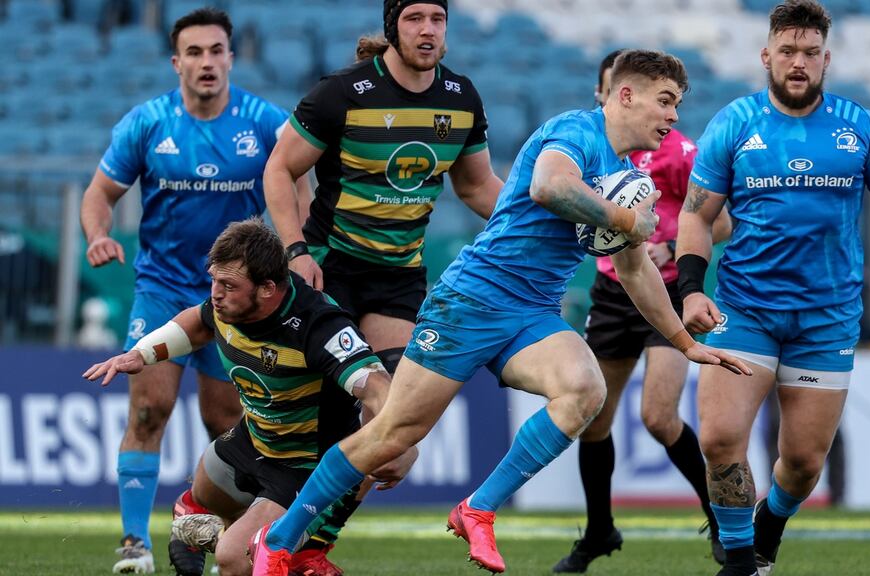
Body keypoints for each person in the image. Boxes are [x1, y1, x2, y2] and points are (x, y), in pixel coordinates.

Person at [249, 48, 752, 576]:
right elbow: (549, 187)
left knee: (585, 390)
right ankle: (278, 541)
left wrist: (685, 343)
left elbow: (635, 271)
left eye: (678, 105)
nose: (674, 116)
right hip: (471, 300)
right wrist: (626, 221)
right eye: (666, 101)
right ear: (626, 95)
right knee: (391, 435)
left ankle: (478, 508)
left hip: (533, 312)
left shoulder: (626, 177)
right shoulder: (576, 131)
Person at [674, 2, 870, 575]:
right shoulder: (734, 123)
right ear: (767, 56)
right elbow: (696, 216)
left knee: (802, 462)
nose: (798, 62)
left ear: (827, 59)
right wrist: (692, 290)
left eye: (809, 52)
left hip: (826, 318)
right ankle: (739, 560)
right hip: (745, 310)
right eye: (787, 51)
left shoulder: (864, 128)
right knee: (720, 439)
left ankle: (770, 526)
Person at [262, 2, 503, 569]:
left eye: (438, 18)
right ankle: (230, 509)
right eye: (415, 18)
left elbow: (476, 187)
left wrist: (540, 222)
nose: (428, 30)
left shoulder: (461, 98)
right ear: (394, 26)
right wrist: (295, 251)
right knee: (326, 424)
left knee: (393, 431)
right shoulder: (341, 94)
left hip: (398, 279)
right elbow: (280, 168)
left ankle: (311, 547)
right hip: (331, 270)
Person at [78, 8, 304, 574]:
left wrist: (300, 247)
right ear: (176, 62)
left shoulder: (265, 122)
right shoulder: (147, 123)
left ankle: (225, 536)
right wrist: (98, 235)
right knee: (148, 409)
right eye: (195, 52)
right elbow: (99, 193)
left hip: (235, 300)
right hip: (162, 287)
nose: (207, 62)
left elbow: (301, 177)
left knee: (225, 423)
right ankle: (134, 545)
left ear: (232, 57)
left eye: (216, 50)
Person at [83, 218, 417, 576]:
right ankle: (204, 520)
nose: (216, 293)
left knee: (233, 560)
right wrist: (142, 353)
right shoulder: (229, 305)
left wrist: (403, 442)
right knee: (203, 491)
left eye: (228, 285)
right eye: (214, 280)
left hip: (302, 468)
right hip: (251, 440)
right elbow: (196, 323)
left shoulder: (319, 325)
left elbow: (377, 387)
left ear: (268, 289)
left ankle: (273, 546)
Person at [552, 49, 733, 574]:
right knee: (592, 420)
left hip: (667, 293)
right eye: (604, 87)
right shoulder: (590, 149)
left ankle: (719, 517)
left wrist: (671, 247)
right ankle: (599, 530)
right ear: (603, 94)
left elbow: (721, 221)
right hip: (612, 293)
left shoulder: (678, 152)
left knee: (657, 415)